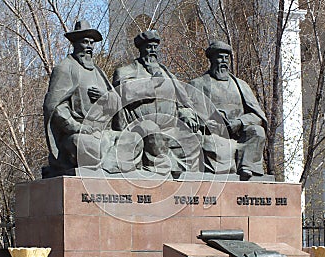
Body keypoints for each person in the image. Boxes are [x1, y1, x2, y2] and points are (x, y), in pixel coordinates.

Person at [43, 20, 142, 177]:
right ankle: (109, 164)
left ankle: (107, 167)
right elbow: (55, 107)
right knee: (83, 146)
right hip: (78, 134)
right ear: (75, 43)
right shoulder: (64, 68)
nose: (89, 46)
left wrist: (106, 98)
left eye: (91, 43)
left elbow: (116, 106)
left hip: (104, 134)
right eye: (84, 42)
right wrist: (76, 127)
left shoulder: (98, 72)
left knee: (135, 140)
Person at [112, 30, 200, 176]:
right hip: (140, 126)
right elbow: (126, 93)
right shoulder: (125, 72)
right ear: (140, 49)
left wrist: (187, 114)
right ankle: (159, 175)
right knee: (152, 130)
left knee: (191, 139)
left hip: (171, 128)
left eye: (154, 47)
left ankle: (186, 183)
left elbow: (182, 103)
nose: (152, 51)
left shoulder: (168, 75)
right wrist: (152, 83)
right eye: (148, 47)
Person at [189, 41, 267, 180]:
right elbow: (186, 110)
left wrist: (239, 122)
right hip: (213, 133)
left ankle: (246, 167)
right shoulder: (198, 84)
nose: (223, 61)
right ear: (211, 59)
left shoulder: (241, 85)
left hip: (239, 134)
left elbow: (257, 115)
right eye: (220, 57)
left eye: (226, 57)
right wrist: (204, 124)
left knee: (258, 131)